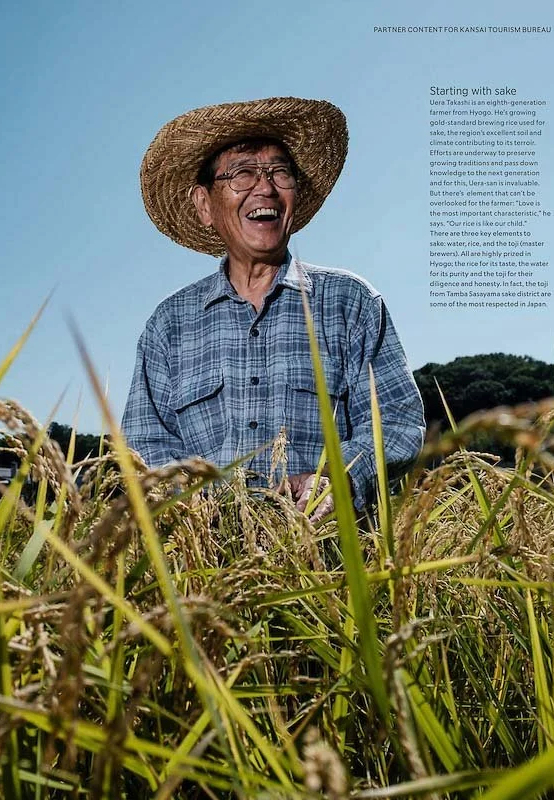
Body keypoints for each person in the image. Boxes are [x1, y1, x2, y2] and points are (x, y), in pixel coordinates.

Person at [122, 97, 425, 519]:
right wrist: (200, 509)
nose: (264, 188)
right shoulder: (168, 325)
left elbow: (396, 423)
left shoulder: (350, 302)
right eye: (242, 172)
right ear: (204, 204)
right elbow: (145, 445)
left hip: (330, 561)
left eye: (279, 172)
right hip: (207, 568)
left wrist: (340, 479)